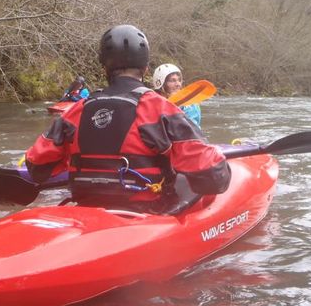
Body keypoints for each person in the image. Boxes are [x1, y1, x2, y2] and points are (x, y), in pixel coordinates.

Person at [25, 24, 230, 213]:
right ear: (146, 69)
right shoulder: (160, 108)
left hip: (85, 208)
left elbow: (36, 166)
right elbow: (213, 177)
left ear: (104, 67)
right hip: (144, 212)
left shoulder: (76, 111)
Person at [153, 63, 202, 127]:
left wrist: (177, 110)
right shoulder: (152, 103)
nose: (178, 84)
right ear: (162, 85)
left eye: (179, 80)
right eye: (172, 80)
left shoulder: (190, 105)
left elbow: (191, 131)